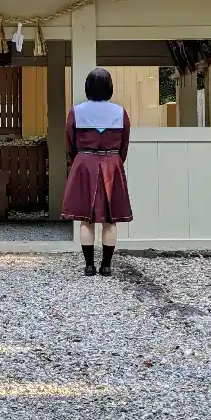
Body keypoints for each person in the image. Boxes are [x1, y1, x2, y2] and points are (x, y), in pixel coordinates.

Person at [61, 67, 133, 276]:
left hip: (84, 162)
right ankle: (107, 266)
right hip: (112, 162)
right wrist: (115, 160)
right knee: (110, 219)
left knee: (86, 219)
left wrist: (78, 161)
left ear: (88, 87)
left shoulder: (76, 111)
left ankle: (89, 266)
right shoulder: (120, 112)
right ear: (110, 87)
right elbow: (124, 144)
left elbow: (69, 143)